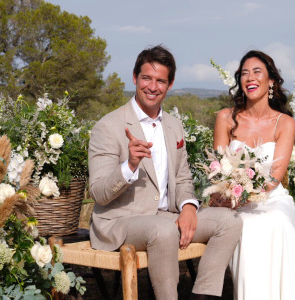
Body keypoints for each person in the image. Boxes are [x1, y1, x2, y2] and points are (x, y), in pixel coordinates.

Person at [87, 45, 243, 300]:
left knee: (230, 221)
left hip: (165, 216)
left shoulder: (173, 125)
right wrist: (130, 166)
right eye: (146, 78)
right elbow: (99, 194)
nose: (152, 86)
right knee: (164, 230)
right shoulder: (107, 126)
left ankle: (202, 296)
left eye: (160, 81)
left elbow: (182, 178)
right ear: (135, 78)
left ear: (170, 85)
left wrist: (189, 207)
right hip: (119, 222)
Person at [212, 50, 295, 299]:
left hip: (271, 200)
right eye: (243, 73)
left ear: (271, 80)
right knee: (244, 225)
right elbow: (219, 169)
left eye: (256, 71)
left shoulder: (284, 123)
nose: (249, 77)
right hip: (233, 202)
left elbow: (273, 178)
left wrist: (246, 196)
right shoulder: (225, 118)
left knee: (273, 223)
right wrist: (229, 196)